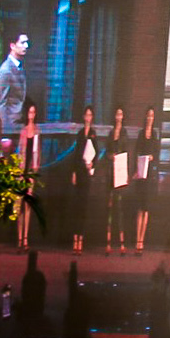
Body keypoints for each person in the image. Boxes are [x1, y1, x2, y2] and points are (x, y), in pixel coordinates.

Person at [65, 106, 98, 253]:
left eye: (90, 115)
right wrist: (73, 172)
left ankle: (81, 240)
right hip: (79, 172)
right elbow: (76, 154)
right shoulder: (80, 134)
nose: (88, 117)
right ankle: (75, 239)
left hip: (87, 173)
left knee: (84, 207)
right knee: (76, 207)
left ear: (92, 117)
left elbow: (96, 153)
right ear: (84, 117)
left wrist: (92, 164)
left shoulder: (93, 134)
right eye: (86, 115)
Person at [103, 107, 130, 254]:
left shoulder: (124, 133)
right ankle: (108, 242)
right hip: (110, 172)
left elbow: (126, 153)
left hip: (120, 172)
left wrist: (126, 173)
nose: (119, 116)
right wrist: (110, 156)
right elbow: (106, 152)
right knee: (109, 207)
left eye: (121, 114)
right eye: (117, 114)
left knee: (119, 208)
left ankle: (121, 243)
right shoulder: (110, 133)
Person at [0, 32, 26, 148]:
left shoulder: (19, 67)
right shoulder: (6, 70)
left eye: (26, 43)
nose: (26, 46)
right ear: (12, 46)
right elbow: (1, 102)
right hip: (9, 127)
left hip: (17, 125)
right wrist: (5, 133)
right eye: (22, 43)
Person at [132, 109, 160, 252]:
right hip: (140, 173)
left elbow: (156, 153)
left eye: (152, 116)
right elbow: (136, 152)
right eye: (148, 115)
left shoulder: (154, 135)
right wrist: (136, 170)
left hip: (149, 174)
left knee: (146, 208)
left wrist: (151, 157)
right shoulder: (141, 134)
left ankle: (142, 240)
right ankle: (137, 238)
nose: (150, 118)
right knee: (140, 207)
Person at [14, 104, 40, 250]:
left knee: (28, 205)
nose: (31, 114)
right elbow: (20, 153)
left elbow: (38, 153)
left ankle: (25, 238)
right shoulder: (23, 131)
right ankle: (19, 238)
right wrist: (18, 171)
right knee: (20, 207)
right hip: (22, 172)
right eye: (30, 112)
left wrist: (35, 172)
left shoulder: (37, 131)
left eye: (33, 112)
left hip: (31, 172)